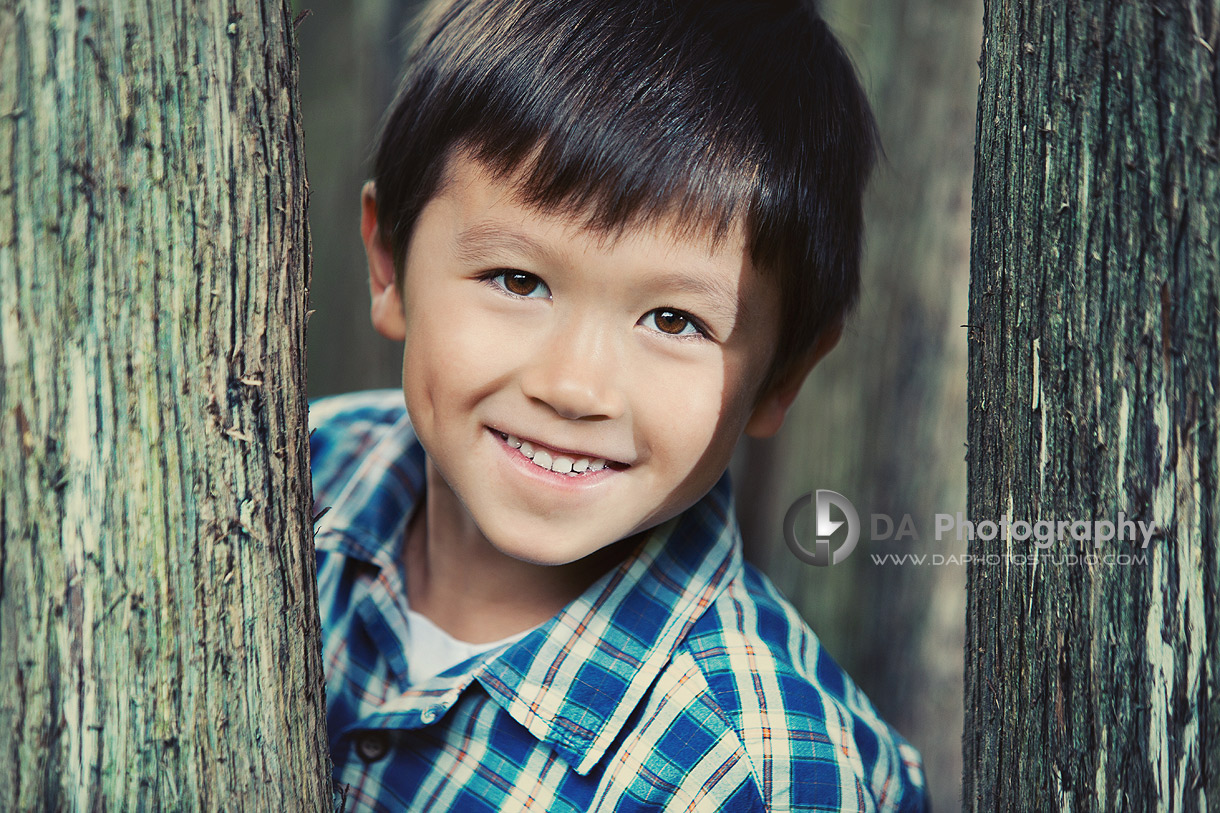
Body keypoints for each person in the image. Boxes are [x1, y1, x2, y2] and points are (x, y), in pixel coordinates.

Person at [309, 0, 928, 809]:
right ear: (388, 265)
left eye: (674, 321)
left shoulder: (754, 773)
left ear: (783, 378)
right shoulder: (296, 473)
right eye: (517, 280)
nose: (573, 387)